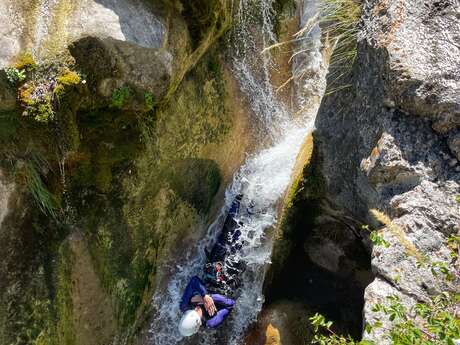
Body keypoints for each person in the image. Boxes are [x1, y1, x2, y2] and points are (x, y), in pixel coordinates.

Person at [178, 195, 244, 337]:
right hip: (226, 284)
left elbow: (194, 281)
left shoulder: (184, 306)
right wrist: (211, 298)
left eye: (192, 309)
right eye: (196, 311)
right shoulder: (212, 322)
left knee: (225, 236)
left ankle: (239, 198)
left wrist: (205, 296)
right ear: (198, 323)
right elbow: (231, 304)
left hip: (212, 274)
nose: (195, 308)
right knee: (240, 240)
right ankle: (252, 210)